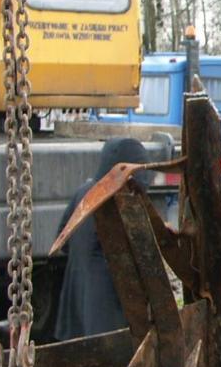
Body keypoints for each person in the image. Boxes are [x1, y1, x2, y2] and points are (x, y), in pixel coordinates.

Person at [55, 138, 151, 340]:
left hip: (76, 303)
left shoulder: (83, 192)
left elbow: (62, 241)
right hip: (104, 312)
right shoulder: (120, 202)